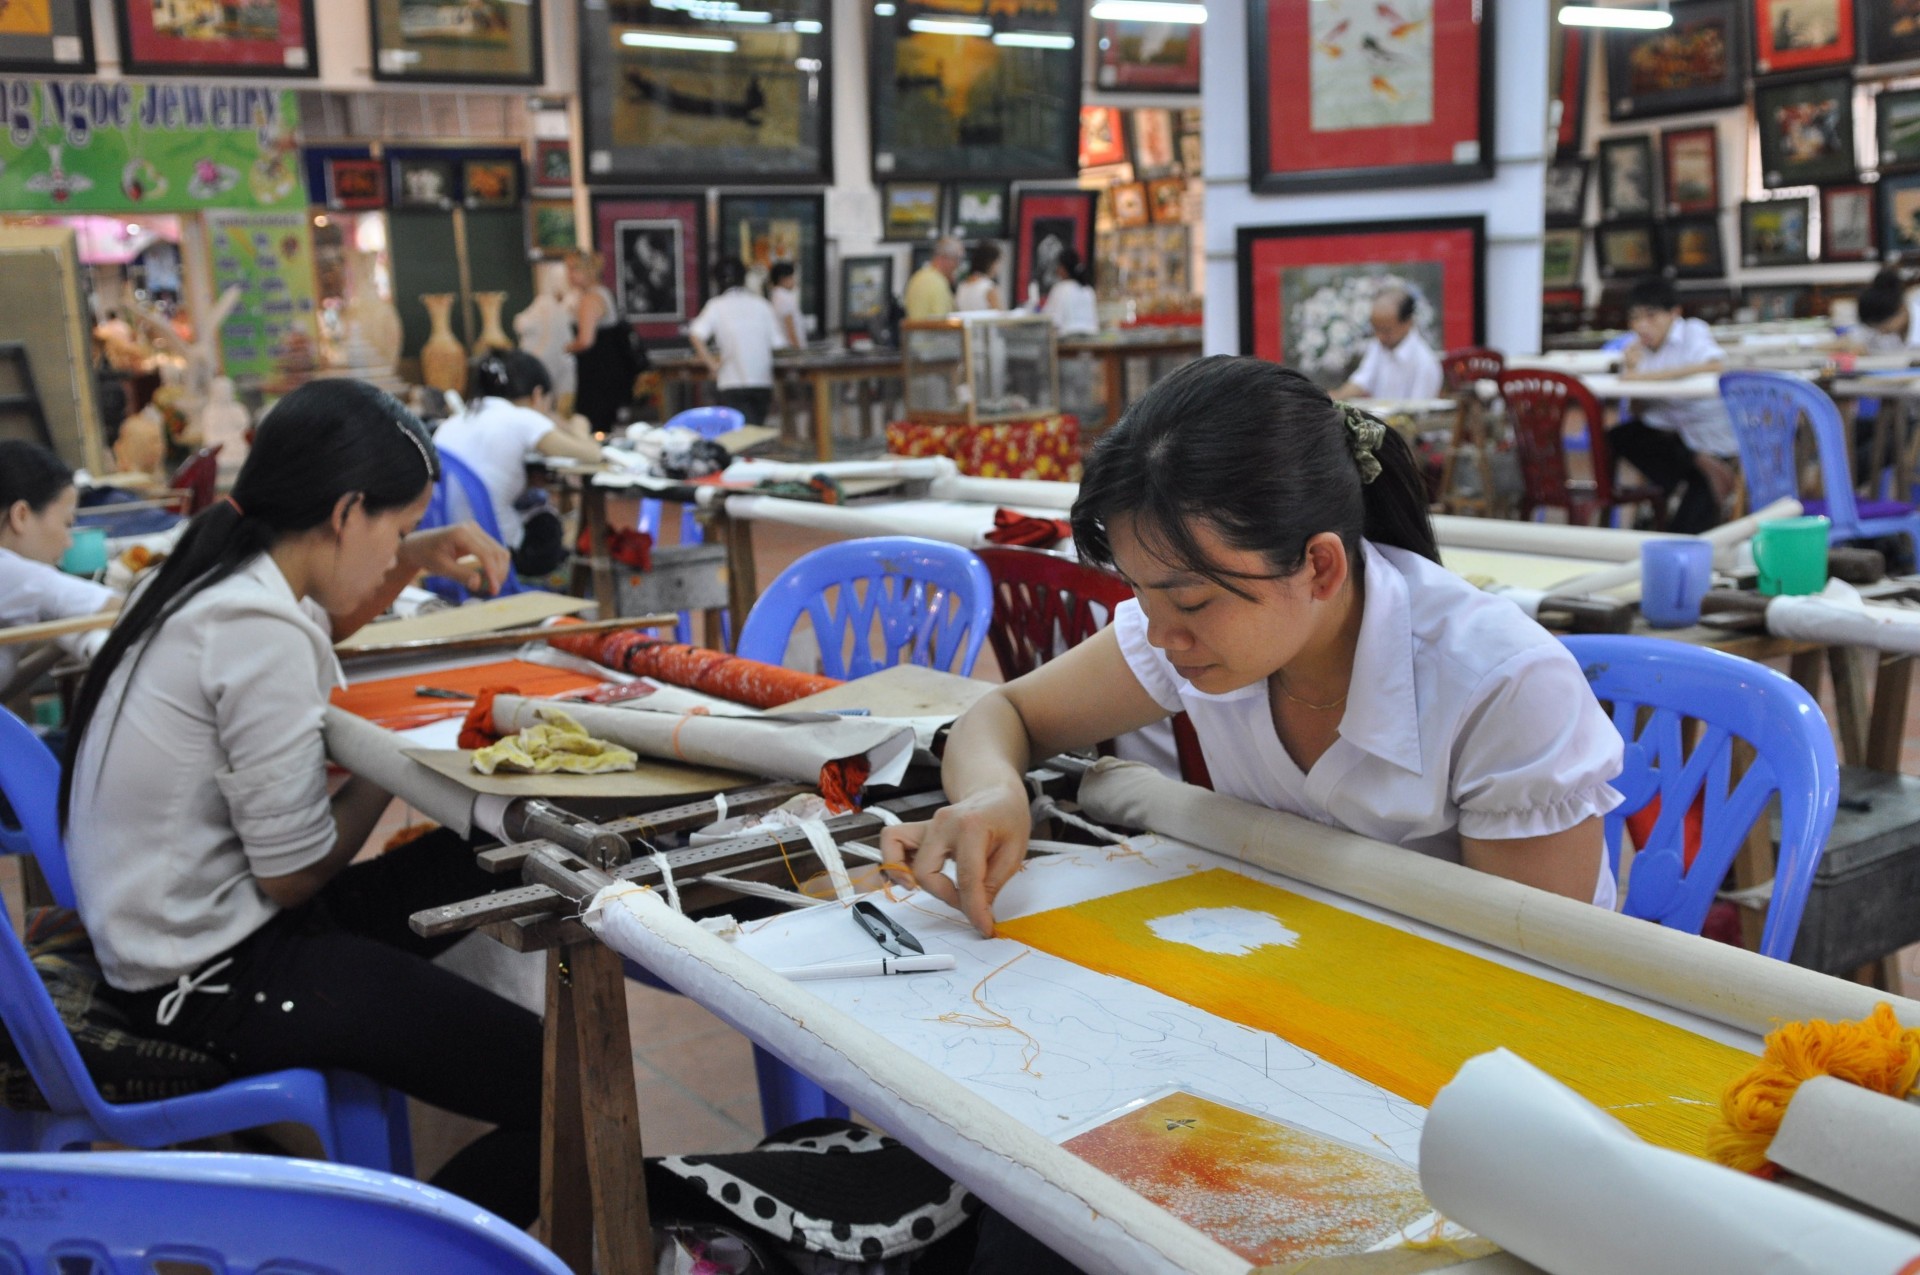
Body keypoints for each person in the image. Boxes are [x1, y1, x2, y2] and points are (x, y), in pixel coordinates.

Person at [881, 356, 1625, 943]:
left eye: (1192, 601)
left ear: (1320, 566)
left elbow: (1537, 969)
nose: (1163, 634)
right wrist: (993, 794)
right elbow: (1005, 712)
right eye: (1142, 595)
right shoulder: (1199, 632)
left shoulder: (1502, 686)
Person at [61, 379, 541, 1227]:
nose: (395, 547)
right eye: (393, 527)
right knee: (560, 1083)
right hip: (211, 972)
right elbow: (291, 876)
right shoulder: (256, 626)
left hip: (193, 929)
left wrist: (412, 554)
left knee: (483, 850)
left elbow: (333, 611)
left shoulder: (213, 567)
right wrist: (396, 767)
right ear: (348, 510)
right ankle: (412, 1251)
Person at [433, 350, 603, 577]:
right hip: (501, 550)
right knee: (546, 520)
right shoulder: (522, 418)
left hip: (451, 542)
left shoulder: (453, 422)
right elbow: (592, 454)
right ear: (538, 394)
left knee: (529, 499)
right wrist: (580, 425)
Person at [1607, 276, 1738, 535]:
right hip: (1675, 439)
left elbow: (1715, 365)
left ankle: (1694, 478)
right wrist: (1633, 371)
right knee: (1620, 436)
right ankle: (1691, 474)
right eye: (1634, 318)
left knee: (1688, 526)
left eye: (1651, 316)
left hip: (1709, 433)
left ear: (1674, 314)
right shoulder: (1636, 349)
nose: (1642, 325)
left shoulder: (1692, 331)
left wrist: (1644, 378)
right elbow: (1637, 412)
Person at [0, 440, 118, 701]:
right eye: (67, 523)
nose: (68, 541)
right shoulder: (11, 572)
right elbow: (125, 608)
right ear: (20, 515)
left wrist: (55, 647)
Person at [689, 257, 782, 426]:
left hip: (732, 380)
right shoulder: (762, 305)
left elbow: (695, 335)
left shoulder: (716, 305)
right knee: (756, 430)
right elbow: (778, 344)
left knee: (740, 435)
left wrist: (712, 365)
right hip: (762, 380)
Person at [565, 249, 641, 434]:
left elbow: (586, 340)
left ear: (587, 271)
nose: (569, 275)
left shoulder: (590, 299)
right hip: (612, 368)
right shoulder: (604, 293)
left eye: (573, 269)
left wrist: (567, 347)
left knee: (593, 422)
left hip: (597, 372)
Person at [1331, 286, 1444, 402]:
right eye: (1375, 329)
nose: (1379, 336)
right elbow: (1361, 381)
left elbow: (1419, 410)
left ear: (1408, 323)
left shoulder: (1424, 363)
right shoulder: (1378, 346)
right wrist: (1334, 399)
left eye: (1386, 331)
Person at [1856, 267, 1920, 350]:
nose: (1882, 332)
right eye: (1877, 328)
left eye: (1886, 328)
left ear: (1901, 309)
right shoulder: (1878, 326)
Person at [1041, 248, 1098, 335]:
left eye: (1058, 266)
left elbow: (1051, 320)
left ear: (1063, 268)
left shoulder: (1060, 289)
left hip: (1066, 342)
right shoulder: (1088, 289)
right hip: (1090, 342)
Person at [905, 237, 963, 320]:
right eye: (957, 259)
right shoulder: (938, 282)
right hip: (931, 332)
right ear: (944, 258)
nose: (957, 265)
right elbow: (941, 322)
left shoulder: (918, 277)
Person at [955, 243, 1003, 312]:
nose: (998, 268)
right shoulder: (989, 288)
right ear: (990, 263)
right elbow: (1002, 319)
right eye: (997, 263)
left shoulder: (962, 286)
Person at [768, 261, 804, 350]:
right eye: (791, 277)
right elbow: (790, 328)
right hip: (792, 350)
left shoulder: (775, 296)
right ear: (783, 279)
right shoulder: (785, 297)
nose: (794, 280)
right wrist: (798, 350)